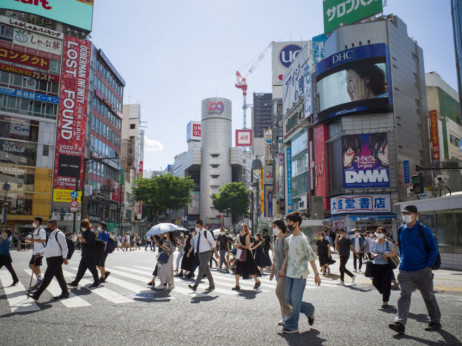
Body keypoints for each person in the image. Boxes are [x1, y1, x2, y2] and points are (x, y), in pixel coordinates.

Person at [389, 205, 441, 335]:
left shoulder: (424, 230)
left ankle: (435, 321)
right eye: (403, 213)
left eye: (407, 213)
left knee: (428, 296)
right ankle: (400, 323)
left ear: (415, 215)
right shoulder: (401, 230)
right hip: (405, 270)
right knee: (404, 295)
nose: (404, 215)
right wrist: (402, 262)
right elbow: (401, 247)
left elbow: (434, 248)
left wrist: (429, 265)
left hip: (422, 269)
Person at [279, 212, 320, 334]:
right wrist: (283, 268)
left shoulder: (303, 239)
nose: (287, 224)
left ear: (296, 223)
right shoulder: (289, 239)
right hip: (289, 273)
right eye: (287, 222)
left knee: (296, 300)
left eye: (289, 222)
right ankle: (309, 309)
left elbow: (311, 257)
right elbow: (288, 255)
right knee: (288, 299)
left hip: (300, 274)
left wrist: (317, 275)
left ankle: (292, 325)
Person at [27, 219, 69, 301]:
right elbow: (48, 247)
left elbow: (64, 246)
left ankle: (37, 294)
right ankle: (65, 292)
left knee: (47, 277)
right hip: (50, 259)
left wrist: (65, 257)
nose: (47, 227)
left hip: (56, 259)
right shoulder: (51, 234)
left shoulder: (59, 234)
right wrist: (40, 252)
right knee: (60, 277)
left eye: (49, 225)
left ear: (54, 226)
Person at [269, 219, 292, 327]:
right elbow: (274, 257)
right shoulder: (276, 240)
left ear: (280, 227)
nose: (273, 228)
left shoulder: (286, 239)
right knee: (282, 294)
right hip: (278, 270)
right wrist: (272, 270)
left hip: (285, 270)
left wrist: (283, 268)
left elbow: (287, 255)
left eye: (275, 226)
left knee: (279, 292)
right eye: (272, 226)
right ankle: (284, 317)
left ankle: (289, 312)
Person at [188, 220, 219, 292]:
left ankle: (195, 286)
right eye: (195, 226)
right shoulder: (196, 234)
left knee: (201, 268)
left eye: (197, 226)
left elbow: (213, 243)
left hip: (207, 253)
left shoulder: (206, 233)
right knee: (206, 270)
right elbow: (194, 244)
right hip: (199, 254)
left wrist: (216, 253)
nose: (196, 228)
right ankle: (212, 285)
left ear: (201, 226)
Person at [67, 219, 100, 288]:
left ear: (85, 226)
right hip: (86, 254)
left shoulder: (90, 233)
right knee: (81, 269)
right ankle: (75, 282)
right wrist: (81, 238)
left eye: (82, 226)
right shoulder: (87, 232)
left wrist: (81, 238)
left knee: (92, 269)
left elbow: (89, 243)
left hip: (90, 254)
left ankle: (96, 282)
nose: (82, 227)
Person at [370, 226, 395, 309]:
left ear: (384, 234)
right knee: (375, 282)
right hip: (376, 265)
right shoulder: (373, 242)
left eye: (380, 232)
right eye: (377, 232)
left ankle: (385, 302)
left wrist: (387, 255)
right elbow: (372, 252)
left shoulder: (388, 243)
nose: (377, 233)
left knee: (386, 284)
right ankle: (385, 292)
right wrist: (373, 255)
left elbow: (394, 253)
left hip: (386, 266)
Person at [232, 223, 261, 291]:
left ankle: (257, 281)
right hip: (240, 252)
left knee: (250, 269)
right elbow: (237, 243)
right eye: (240, 227)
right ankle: (237, 285)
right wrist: (236, 245)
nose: (240, 228)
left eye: (242, 227)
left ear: (245, 228)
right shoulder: (238, 236)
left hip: (246, 253)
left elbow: (248, 246)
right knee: (238, 268)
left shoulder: (247, 236)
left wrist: (239, 246)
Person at [25, 216, 46, 290]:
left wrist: (32, 239)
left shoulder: (41, 230)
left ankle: (39, 280)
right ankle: (40, 280)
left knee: (31, 265)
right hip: (35, 251)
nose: (33, 222)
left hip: (39, 251)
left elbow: (43, 240)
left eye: (34, 221)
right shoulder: (35, 230)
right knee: (37, 267)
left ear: (38, 222)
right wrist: (30, 242)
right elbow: (36, 241)